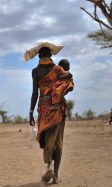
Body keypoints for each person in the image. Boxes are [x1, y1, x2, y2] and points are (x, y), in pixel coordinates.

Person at [29, 47, 74, 184]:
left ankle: (48, 165)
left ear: (38, 57)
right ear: (50, 54)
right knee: (58, 141)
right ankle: (56, 175)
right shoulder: (58, 69)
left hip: (43, 109)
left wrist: (31, 112)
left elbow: (35, 93)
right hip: (57, 108)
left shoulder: (35, 72)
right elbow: (68, 77)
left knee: (46, 138)